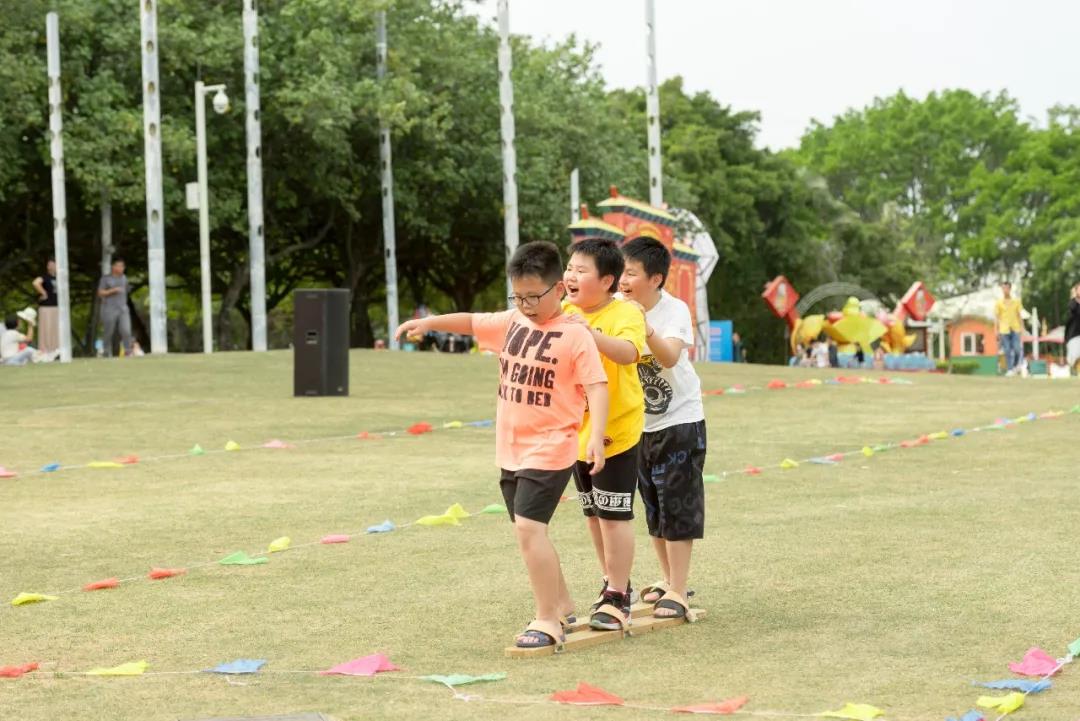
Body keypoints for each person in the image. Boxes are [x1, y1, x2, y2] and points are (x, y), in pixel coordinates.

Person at [395, 241, 609, 650]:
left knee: (529, 527)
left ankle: (547, 619)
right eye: (519, 296)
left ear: (559, 289)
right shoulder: (512, 322)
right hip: (511, 446)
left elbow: (597, 387)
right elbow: (473, 322)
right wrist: (430, 323)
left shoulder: (575, 334)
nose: (526, 305)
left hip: (553, 445)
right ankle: (561, 604)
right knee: (528, 530)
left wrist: (595, 435)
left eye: (535, 296)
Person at [619, 237, 705, 621]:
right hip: (640, 424)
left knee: (677, 505)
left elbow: (669, 355)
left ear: (654, 279)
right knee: (653, 504)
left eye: (630, 273)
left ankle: (679, 588)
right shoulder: (616, 308)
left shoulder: (674, 310)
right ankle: (671, 581)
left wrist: (643, 324)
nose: (622, 280)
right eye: (620, 271)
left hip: (680, 420)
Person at [563, 238, 645, 632]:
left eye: (581, 270)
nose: (570, 277)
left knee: (614, 513)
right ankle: (611, 581)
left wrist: (588, 333)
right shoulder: (562, 310)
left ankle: (618, 595)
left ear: (607, 279)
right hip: (575, 430)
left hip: (616, 430)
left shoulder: (625, 312)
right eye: (569, 269)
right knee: (593, 514)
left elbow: (629, 353)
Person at [98, 257, 133, 357]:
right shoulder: (106, 279)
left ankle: (128, 351)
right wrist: (112, 291)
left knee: (126, 330)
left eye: (122, 266)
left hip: (122, 309)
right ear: (113, 267)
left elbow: (126, 290)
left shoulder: (124, 278)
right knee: (108, 332)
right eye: (119, 266)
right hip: (109, 309)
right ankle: (106, 351)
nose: (121, 268)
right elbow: (100, 292)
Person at [994, 281, 1024, 374]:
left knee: (1017, 349)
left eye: (1006, 288)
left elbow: (1019, 315)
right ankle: (1010, 369)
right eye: (1003, 288)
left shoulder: (1016, 302)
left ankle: (1015, 365)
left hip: (1015, 328)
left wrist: (1022, 327)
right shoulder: (999, 303)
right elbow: (997, 318)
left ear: (1010, 289)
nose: (1005, 290)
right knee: (1006, 350)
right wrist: (996, 330)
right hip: (1004, 329)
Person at [32, 258, 59, 355]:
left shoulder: (58, 278)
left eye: (54, 264)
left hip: (56, 307)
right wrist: (44, 293)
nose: (52, 266)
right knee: (46, 329)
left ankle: (55, 349)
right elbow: (35, 283)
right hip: (46, 307)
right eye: (50, 264)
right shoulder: (45, 277)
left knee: (55, 329)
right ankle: (45, 351)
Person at [1066, 283, 1080, 372]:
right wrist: (1074, 297)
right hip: (1074, 335)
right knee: (1074, 357)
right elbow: (1072, 308)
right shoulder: (1073, 303)